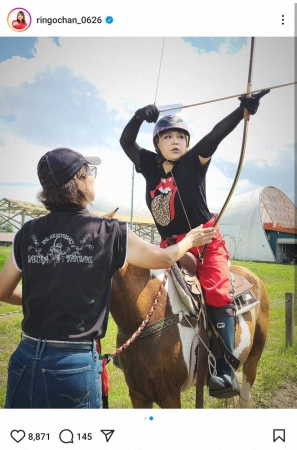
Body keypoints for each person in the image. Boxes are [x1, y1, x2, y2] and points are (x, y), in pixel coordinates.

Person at [0, 147, 215, 409]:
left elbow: (2, 291)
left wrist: (45, 302)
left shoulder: (27, 233)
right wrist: (190, 240)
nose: (93, 177)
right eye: (90, 171)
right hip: (73, 366)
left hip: (25, 359)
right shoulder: (108, 231)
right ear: (78, 181)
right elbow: (163, 259)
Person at [120, 90, 269, 399]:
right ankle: (136, 353)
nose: (176, 141)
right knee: (142, 290)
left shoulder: (194, 162)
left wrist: (242, 111)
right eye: (168, 136)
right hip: (169, 247)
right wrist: (137, 117)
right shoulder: (147, 164)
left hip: (205, 243)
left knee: (215, 289)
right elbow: (126, 143)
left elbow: (215, 135)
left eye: (182, 137)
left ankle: (225, 369)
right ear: (157, 143)